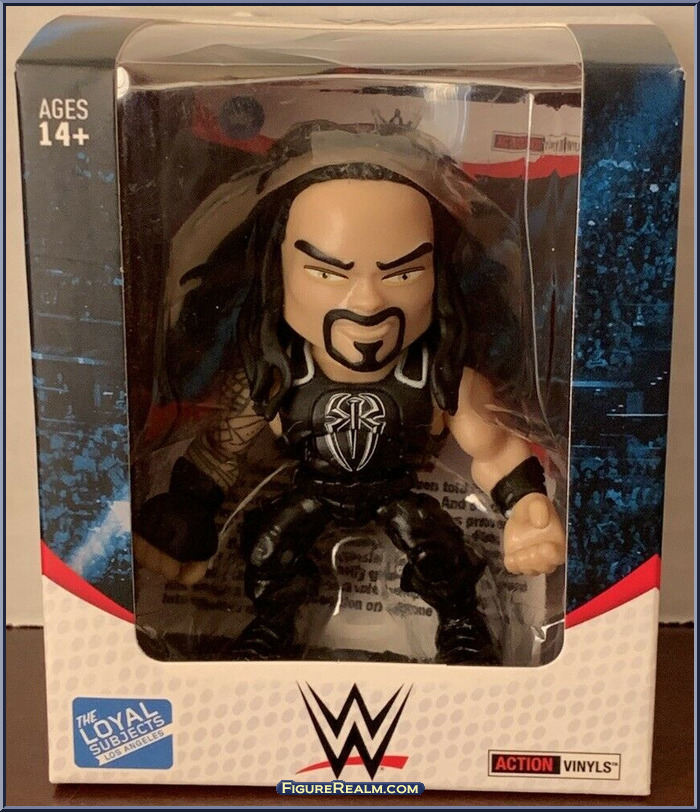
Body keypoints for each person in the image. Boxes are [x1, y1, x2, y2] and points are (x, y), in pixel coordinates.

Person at [134, 122, 566, 664]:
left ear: (438, 274)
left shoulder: (440, 376)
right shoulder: (274, 374)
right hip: (310, 490)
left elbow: (497, 450)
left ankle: (462, 623)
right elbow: (219, 451)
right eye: (327, 273)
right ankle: (272, 624)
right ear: (277, 273)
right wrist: (184, 509)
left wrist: (528, 506)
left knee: (440, 554)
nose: (365, 303)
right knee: (268, 550)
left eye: (402, 275)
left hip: (397, 492)